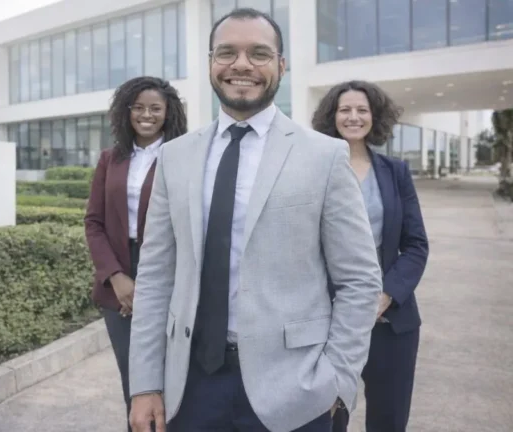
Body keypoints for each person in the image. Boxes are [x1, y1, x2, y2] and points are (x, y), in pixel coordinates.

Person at [127, 7, 383, 432]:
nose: (241, 64)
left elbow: (359, 279)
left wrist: (337, 379)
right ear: (211, 63)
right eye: (227, 52)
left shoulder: (323, 156)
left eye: (259, 53)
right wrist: (145, 383)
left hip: (294, 392)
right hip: (189, 388)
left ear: (281, 65)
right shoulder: (175, 157)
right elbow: (155, 277)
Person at [312, 80, 429, 432]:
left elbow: (416, 245)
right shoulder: (315, 170)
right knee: (327, 418)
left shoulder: (395, 173)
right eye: (345, 110)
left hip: (390, 321)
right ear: (332, 117)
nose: (353, 117)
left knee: (388, 421)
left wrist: (386, 294)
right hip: (328, 320)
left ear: (373, 117)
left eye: (362, 110)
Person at [84, 76, 188, 432]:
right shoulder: (110, 159)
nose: (147, 115)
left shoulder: (183, 155)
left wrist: (151, 284)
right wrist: (116, 278)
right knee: (136, 385)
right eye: (138, 107)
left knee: (175, 380)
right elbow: (94, 223)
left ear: (168, 112)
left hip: (171, 275)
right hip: (117, 279)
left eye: (155, 108)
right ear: (126, 112)